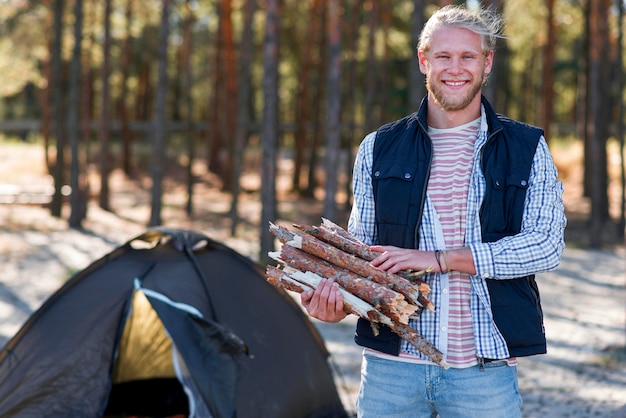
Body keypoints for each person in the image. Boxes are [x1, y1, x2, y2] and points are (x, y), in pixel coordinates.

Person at [301, 4, 566, 418]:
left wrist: (442, 260)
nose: (455, 68)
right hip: (392, 371)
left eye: (468, 56)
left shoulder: (525, 147)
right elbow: (360, 255)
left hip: (484, 371)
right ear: (424, 60)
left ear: (487, 63)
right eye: (443, 56)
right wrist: (334, 302)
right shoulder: (378, 147)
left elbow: (545, 245)